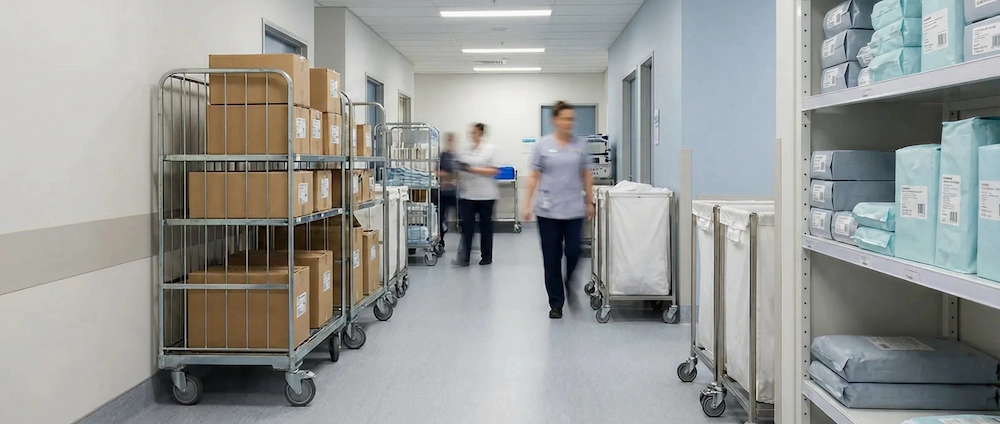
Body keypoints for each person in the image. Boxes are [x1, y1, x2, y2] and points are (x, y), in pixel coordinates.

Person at [522, 102, 595, 319]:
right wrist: (527, 204)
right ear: (555, 120)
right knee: (551, 258)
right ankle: (556, 302)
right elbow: (533, 176)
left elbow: (587, 174)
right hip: (548, 211)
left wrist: (590, 201)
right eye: (564, 118)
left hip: (573, 209)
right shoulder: (542, 146)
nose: (568, 122)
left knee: (574, 251)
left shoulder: (580, 145)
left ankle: (568, 280)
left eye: (571, 119)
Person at [454, 123, 499, 267]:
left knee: (486, 228)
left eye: (474, 132)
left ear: (480, 133)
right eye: (470, 133)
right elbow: (459, 168)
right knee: (467, 227)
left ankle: (486, 257)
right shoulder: (465, 150)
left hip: (486, 195)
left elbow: (493, 170)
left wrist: (473, 170)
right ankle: (464, 258)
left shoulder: (491, 149)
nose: (471, 135)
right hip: (468, 195)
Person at [437, 133, 459, 248]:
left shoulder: (456, 157)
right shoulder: (443, 156)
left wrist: (452, 177)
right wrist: (448, 176)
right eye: (449, 140)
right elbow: (437, 172)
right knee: (441, 217)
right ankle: (441, 240)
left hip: (454, 192)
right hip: (443, 192)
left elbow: (459, 174)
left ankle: (466, 242)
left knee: (462, 216)